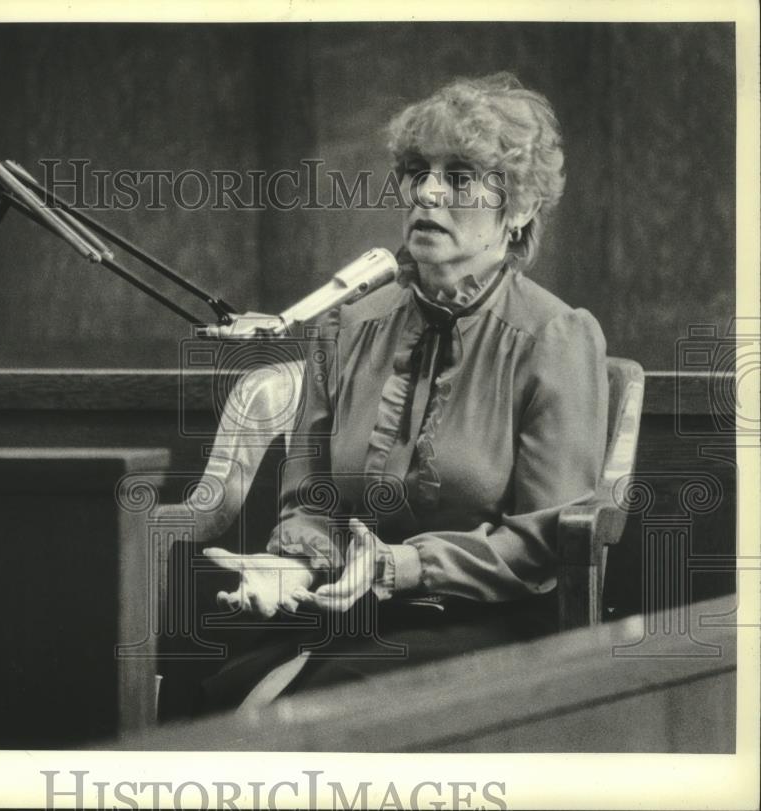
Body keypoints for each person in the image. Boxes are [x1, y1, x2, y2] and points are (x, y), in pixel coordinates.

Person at [177, 71, 608, 713]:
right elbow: (311, 499)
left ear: (517, 208)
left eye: (460, 176)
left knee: (316, 705)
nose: (428, 191)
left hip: (487, 621)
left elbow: (545, 543)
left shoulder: (555, 337)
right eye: (416, 170)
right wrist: (294, 565)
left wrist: (398, 567)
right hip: (348, 608)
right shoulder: (348, 327)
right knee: (200, 682)